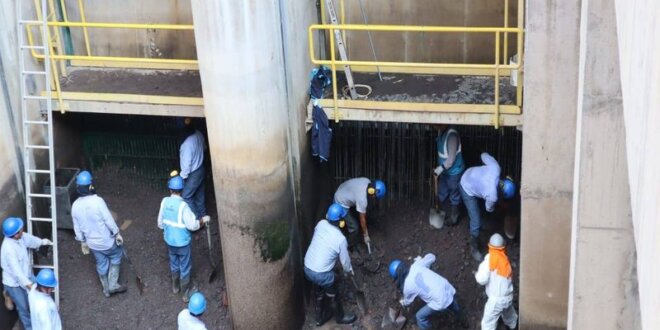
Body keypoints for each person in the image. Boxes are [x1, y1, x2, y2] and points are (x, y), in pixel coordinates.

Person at [71, 170, 127, 298]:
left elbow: (77, 228)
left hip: (93, 244)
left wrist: (82, 241)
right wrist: (116, 233)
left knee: (101, 263)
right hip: (107, 241)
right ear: (90, 186)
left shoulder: (75, 206)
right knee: (116, 256)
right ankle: (113, 284)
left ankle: (106, 290)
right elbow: (108, 220)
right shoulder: (98, 201)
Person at [303, 203, 357, 326]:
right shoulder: (340, 239)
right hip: (320, 274)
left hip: (307, 267)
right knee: (333, 293)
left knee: (319, 290)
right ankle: (340, 317)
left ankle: (319, 318)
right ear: (341, 222)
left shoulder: (321, 224)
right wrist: (349, 273)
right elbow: (345, 263)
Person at [158, 174, 207, 302]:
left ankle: (175, 287)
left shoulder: (164, 202)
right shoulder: (184, 206)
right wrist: (203, 220)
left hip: (169, 242)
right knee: (185, 266)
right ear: (182, 190)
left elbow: (160, 224)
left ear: (170, 189)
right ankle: (185, 293)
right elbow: (193, 225)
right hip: (183, 244)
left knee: (174, 263)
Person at [459, 152, 516, 261]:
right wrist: (496, 206)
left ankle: (481, 223)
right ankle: (473, 245)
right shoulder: (493, 196)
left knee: (479, 205)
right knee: (475, 219)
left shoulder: (496, 168)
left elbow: (483, 155)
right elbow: (488, 209)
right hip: (465, 187)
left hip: (469, 173)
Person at [388, 254, 468, 330]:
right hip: (446, 286)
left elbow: (408, 301)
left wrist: (402, 303)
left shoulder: (406, 287)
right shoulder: (416, 265)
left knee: (419, 317)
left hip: (439, 299)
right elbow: (432, 257)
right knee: (452, 303)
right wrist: (421, 259)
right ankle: (463, 320)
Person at [1, 217, 53, 330]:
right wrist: (30, 286)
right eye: (20, 229)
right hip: (14, 282)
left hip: (27, 274)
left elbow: (30, 240)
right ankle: (29, 327)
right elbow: (17, 273)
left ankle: (9, 294)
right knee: (23, 308)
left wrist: (41, 242)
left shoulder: (20, 236)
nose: (22, 229)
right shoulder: (8, 249)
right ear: (15, 234)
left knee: (39, 294)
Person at [475, 233, 518, 330]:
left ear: (490, 246)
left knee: (488, 323)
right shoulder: (505, 259)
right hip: (508, 296)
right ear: (503, 247)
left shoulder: (490, 260)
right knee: (509, 314)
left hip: (496, 300)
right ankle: (513, 326)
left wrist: (477, 275)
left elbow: (481, 279)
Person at [333, 177, 386, 247]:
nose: (374, 198)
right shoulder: (362, 200)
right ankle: (346, 246)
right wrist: (366, 235)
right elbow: (362, 219)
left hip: (342, 189)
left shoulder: (366, 181)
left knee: (357, 211)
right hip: (340, 201)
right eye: (375, 196)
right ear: (373, 191)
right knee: (355, 227)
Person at [433, 125, 465, 225]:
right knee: (442, 192)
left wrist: (439, 169)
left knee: (454, 195)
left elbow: (451, 160)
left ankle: (454, 218)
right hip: (445, 171)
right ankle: (444, 212)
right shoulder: (441, 131)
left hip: (454, 172)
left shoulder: (452, 136)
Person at [178, 118, 208, 222]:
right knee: (200, 195)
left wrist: (182, 177)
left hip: (193, 173)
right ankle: (204, 217)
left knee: (186, 196)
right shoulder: (199, 134)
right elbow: (204, 148)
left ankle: (196, 220)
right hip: (201, 168)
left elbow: (186, 165)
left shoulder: (186, 144)